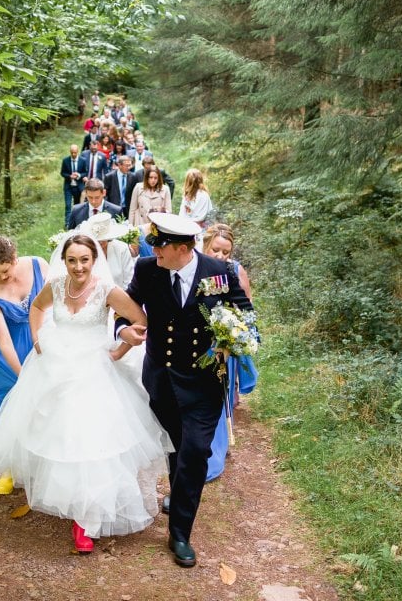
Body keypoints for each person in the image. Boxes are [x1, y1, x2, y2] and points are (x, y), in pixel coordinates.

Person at [0, 233, 172, 555]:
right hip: (54, 367)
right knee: (58, 437)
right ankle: (69, 499)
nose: (78, 266)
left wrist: (120, 350)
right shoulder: (56, 285)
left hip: (94, 369)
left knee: (90, 441)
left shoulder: (106, 289)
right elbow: (37, 310)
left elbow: (140, 321)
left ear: (93, 260)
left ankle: (85, 519)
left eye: (84, 259)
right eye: (72, 260)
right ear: (65, 261)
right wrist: (38, 340)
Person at [116, 213, 253, 568]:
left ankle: (180, 532)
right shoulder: (147, 269)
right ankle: (178, 498)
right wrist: (123, 331)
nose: (153, 251)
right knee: (177, 446)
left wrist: (230, 342)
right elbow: (126, 307)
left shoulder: (219, 272)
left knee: (195, 451)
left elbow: (246, 315)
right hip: (161, 378)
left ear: (181, 248)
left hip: (204, 381)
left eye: (160, 246)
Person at [0, 236, 49, 495]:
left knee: (49, 401)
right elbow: (4, 340)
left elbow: (57, 303)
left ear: (15, 258)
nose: (2, 278)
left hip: (40, 337)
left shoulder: (39, 266)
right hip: (6, 353)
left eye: (5, 271)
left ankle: (47, 461)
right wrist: (23, 375)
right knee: (11, 404)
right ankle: (11, 466)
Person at [199, 223, 257, 481]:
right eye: (216, 250)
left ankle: (215, 449)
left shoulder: (234, 270)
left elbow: (246, 307)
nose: (221, 256)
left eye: (226, 252)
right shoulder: (196, 268)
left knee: (219, 396)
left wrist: (236, 332)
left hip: (223, 343)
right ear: (205, 245)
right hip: (197, 340)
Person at [80, 212, 136, 289]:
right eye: (97, 240)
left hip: (121, 297)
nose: (100, 242)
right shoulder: (84, 252)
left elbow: (129, 279)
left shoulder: (121, 248)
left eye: (104, 239)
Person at [59, 144, 83, 228]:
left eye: (75, 153)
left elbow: (85, 172)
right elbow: (62, 173)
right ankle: (67, 224)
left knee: (77, 206)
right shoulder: (65, 160)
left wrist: (79, 175)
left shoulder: (82, 160)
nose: (73, 154)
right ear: (70, 152)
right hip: (68, 187)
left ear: (78, 152)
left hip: (78, 187)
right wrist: (69, 176)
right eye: (72, 153)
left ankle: (76, 222)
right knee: (68, 205)